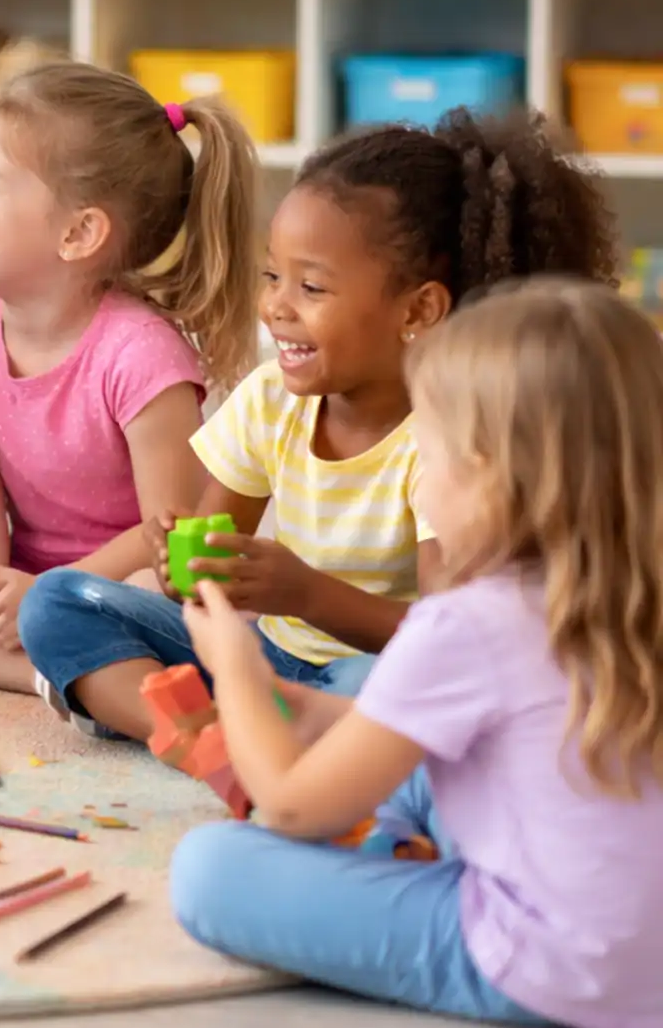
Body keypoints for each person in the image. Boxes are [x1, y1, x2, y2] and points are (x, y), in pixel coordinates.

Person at [20, 110, 620, 740]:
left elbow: (449, 637)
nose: (276, 307)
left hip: (373, 674)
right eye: (274, 276)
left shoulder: (453, 440)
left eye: (311, 287)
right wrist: (188, 569)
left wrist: (305, 593)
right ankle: (208, 741)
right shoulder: (271, 399)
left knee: (381, 693)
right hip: (265, 662)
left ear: (418, 308)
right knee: (58, 602)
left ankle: (257, 738)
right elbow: (211, 575)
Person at [170, 278, 663, 1027]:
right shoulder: (628, 587)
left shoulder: (468, 623)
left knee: (209, 869)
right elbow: (525, 731)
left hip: (550, 970)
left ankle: (389, 856)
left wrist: (236, 662)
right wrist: (330, 713)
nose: (420, 485)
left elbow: (292, 803)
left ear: (495, 478)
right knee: (390, 725)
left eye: (429, 460)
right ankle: (389, 822)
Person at [0, 64, 258, 689]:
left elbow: (166, 538)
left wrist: (49, 594)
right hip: (25, 573)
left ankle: (73, 661)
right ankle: (56, 675)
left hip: (116, 579)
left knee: (167, 602)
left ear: (78, 232)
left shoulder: (141, 356)